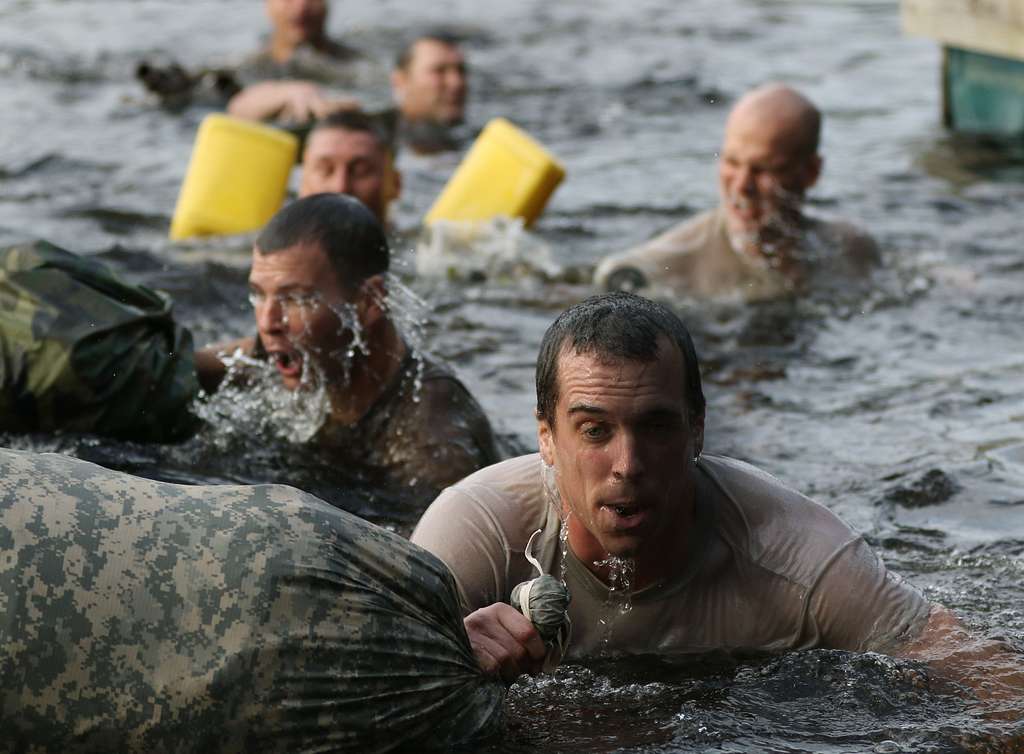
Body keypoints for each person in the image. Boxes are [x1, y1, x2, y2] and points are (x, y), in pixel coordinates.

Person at [410, 292, 1023, 701]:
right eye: (594, 430)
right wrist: (445, 665)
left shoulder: (793, 557)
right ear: (546, 437)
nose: (628, 465)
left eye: (656, 426)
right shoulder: (481, 531)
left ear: (697, 429)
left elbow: (987, 680)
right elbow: (354, 691)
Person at [195, 193, 500, 497]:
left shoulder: (433, 437)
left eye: (297, 299)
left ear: (369, 301)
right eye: (259, 294)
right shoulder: (290, 354)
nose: (267, 322)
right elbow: (186, 364)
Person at [594, 84, 879, 301]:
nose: (742, 185)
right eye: (731, 162)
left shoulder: (853, 249)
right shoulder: (654, 273)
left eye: (763, 169)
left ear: (811, 173)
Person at [227, 0, 363, 124]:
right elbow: (234, 108)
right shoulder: (245, 66)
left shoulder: (360, 61)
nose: (301, 7)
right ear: (268, 4)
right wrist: (287, 93)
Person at [298, 109, 401, 224]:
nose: (340, 187)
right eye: (325, 170)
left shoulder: (419, 241)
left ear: (395, 184)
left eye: (360, 171)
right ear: (301, 180)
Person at [389, 31, 469, 154]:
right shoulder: (373, 137)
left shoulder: (476, 137)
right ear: (401, 81)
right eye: (439, 71)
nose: (456, 83)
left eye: (461, 70)